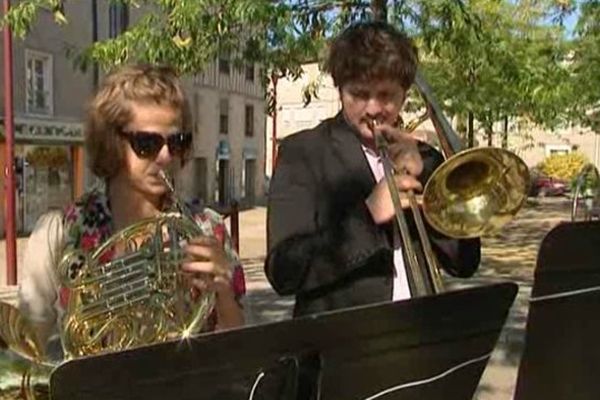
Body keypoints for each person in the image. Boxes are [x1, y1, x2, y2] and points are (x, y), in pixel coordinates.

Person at [18, 64, 246, 356]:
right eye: (147, 143)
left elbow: (239, 350)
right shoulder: (60, 231)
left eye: (177, 142)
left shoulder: (208, 229)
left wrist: (224, 294)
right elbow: (27, 350)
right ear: (112, 142)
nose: (165, 156)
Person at [265, 21, 481, 318]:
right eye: (359, 94)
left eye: (386, 95)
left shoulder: (427, 159)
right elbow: (283, 272)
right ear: (340, 90)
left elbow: (465, 263)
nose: (373, 109)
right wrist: (368, 216)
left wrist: (429, 194)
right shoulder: (303, 153)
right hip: (342, 349)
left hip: (422, 336)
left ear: (405, 94)